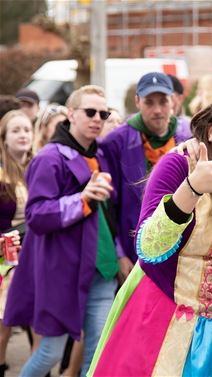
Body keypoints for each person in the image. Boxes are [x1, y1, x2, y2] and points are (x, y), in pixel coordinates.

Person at [88, 87, 212, 376]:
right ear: (209, 130)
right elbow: (148, 250)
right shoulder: (178, 165)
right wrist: (192, 189)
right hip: (160, 318)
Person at [4, 85, 120, 377]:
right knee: (49, 352)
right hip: (62, 271)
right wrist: (81, 199)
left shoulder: (102, 154)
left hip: (103, 270)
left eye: (103, 114)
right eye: (90, 112)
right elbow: (36, 215)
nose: (97, 118)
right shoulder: (49, 157)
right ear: (71, 113)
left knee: (97, 355)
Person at [100, 72, 191, 268]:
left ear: (174, 101)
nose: (157, 110)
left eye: (163, 101)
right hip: (130, 248)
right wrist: (119, 254)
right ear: (138, 102)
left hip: (179, 247)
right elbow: (107, 205)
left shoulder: (188, 137)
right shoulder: (115, 142)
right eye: (149, 102)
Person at [0, 110, 33, 376]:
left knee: (38, 323)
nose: (23, 135)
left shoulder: (39, 166)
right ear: (4, 138)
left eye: (26, 130)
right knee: (4, 326)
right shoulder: (1, 176)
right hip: (4, 260)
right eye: (16, 131)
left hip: (34, 256)